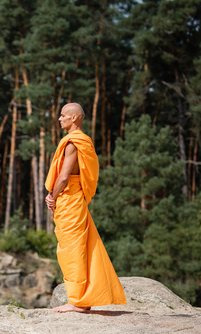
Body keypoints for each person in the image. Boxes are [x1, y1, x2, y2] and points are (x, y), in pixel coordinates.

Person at [44, 103, 126, 313]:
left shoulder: (73, 142)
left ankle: (78, 301)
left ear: (74, 118)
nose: (59, 119)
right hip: (74, 198)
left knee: (71, 250)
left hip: (69, 198)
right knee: (80, 246)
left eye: (63, 116)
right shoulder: (83, 140)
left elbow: (63, 177)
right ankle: (84, 297)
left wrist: (52, 197)